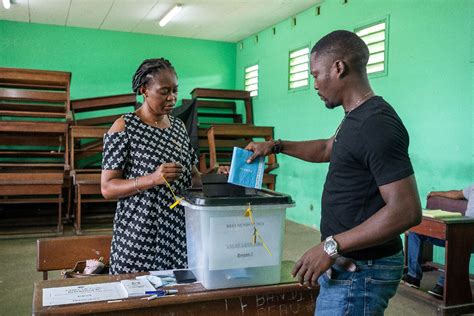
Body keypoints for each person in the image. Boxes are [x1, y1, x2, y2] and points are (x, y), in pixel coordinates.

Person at [245, 30, 422, 315]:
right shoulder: (355, 117)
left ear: (338, 67)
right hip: (349, 263)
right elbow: (328, 149)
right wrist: (275, 146)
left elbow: (406, 210)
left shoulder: (375, 124)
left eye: (315, 74)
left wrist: (330, 246)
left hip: (362, 270)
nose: (313, 84)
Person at [101, 58, 201, 274]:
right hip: (139, 235)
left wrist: (216, 176)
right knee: (136, 298)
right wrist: (152, 179)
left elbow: (193, 175)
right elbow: (107, 188)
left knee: (176, 296)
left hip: (177, 233)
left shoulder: (178, 127)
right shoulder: (124, 126)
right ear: (144, 90)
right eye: (164, 91)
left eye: (175, 90)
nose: (172, 98)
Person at [403, 184, 474, 299]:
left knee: (457, 242)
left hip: (466, 237)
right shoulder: (473, 188)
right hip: (462, 231)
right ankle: (413, 276)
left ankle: (444, 285)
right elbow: (457, 194)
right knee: (415, 232)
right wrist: (437, 193)